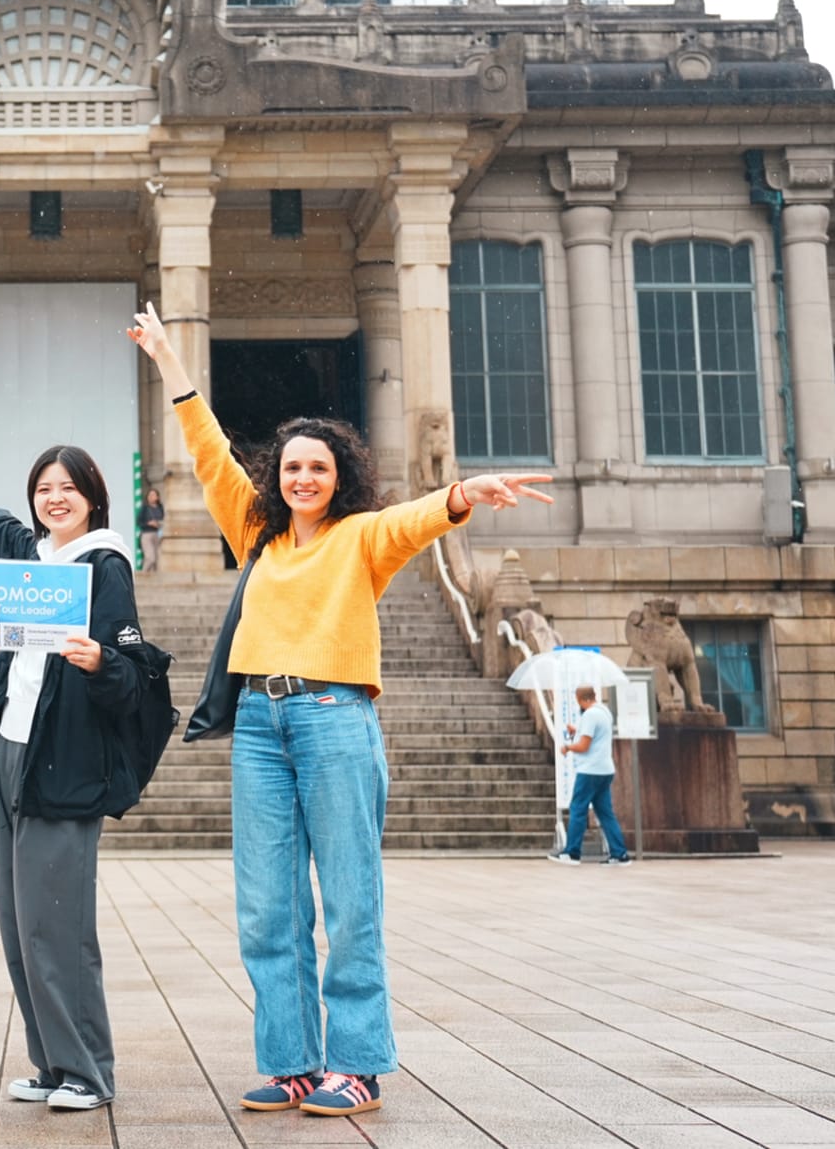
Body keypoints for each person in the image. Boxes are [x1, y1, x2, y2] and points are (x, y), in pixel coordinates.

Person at [127, 301, 552, 1119]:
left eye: (317, 469)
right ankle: (291, 1061)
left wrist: (463, 492)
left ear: (340, 476)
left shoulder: (362, 538)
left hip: (333, 718)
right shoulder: (256, 531)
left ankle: (356, 1062)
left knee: (351, 898)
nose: (303, 480)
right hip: (259, 722)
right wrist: (169, 361)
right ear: (277, 477)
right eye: (291, 468)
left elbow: (413, 519)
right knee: (267, 904)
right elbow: (209, 450)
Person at [0, 445, 159, 1113]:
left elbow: (133, 671)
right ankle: (53, 1064)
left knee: (57, 923)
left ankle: (87, 1069)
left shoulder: (104, 563)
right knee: (17, 920)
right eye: (44, 488)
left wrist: (99, 661)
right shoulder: (37, 558)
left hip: (65, 757)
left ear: (94, 495)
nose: (55, 498)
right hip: (11, 749)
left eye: (68, 488)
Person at [551, 684, 631, 866]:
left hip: (589, 770)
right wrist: (576, 731)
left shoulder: (590, 715)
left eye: (578, 701)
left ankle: (572, 852)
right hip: (605, 769)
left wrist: (568, 747)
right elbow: (594, 737)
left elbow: (584, 746)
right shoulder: (604, 711)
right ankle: (620, 854)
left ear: (582, 699)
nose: (578, 704)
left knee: (578, 809)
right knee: (605, 813)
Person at [139, 486, 165, 571]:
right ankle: (142, 575)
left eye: (153, 495)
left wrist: (158, 524)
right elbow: (139, 522)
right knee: (150, 558)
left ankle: (153, 580)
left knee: (157, 560)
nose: (151, 497)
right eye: (150, 495)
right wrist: (149, 523)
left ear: (157, 497)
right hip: (147, 534)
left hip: (158, 534)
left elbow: (164, 520)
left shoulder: (160, 508)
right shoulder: (145, 508)